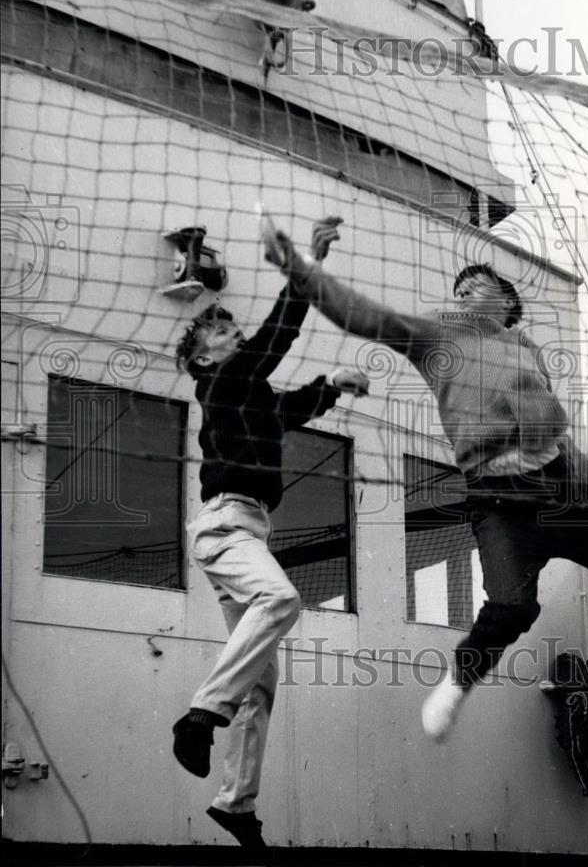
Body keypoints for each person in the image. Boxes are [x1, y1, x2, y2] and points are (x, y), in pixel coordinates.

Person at [264, 222, 588, 744]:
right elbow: (364, 314)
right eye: (458, 288)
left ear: (507, 303)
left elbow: (558, 440)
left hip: (560, 489)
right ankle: (458, 681)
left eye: (478, 284)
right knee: (512, 606)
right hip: (498, 500)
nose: (464, 291)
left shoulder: (526, 351)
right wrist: (301, 269)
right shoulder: (437, 336)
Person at [171, 217, 368, 849]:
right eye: (222, 332)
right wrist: (305, 267)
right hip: (226, 525)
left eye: (232, 328)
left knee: (261, 687)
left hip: (248, 529)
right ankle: (201, 713)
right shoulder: (220, 381)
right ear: (205, 356)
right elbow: (275, 338)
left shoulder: (247, 397)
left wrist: (331, 388)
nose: (233, 335)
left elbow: (287, 409)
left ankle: (236, 805)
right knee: (280, 600)